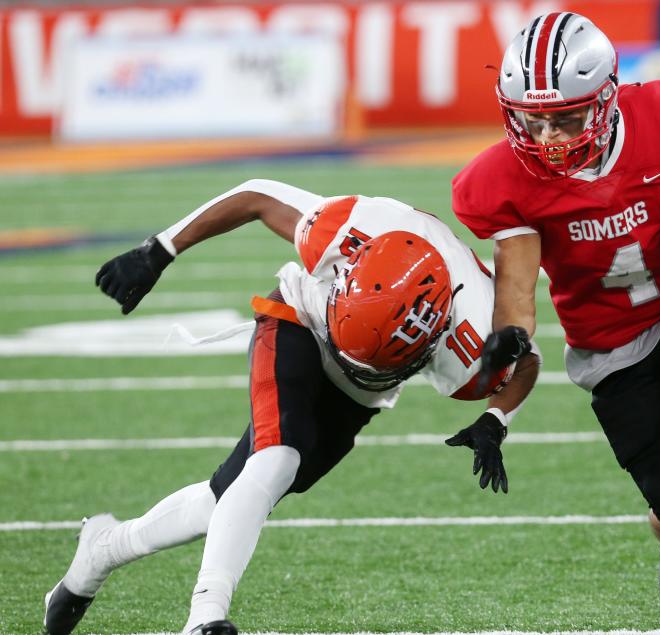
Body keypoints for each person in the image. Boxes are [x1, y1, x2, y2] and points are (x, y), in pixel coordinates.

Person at [43, 180, 540, 635]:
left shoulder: (474, 336)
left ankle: (105, 548)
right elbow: (255, 196)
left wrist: (496, 418)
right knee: (277, 459)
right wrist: (162, 248)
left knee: (231, 498)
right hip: (302, 319)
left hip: (360, 392)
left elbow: (528, 364)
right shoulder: (349, 228)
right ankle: (204, 617)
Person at [452, 12, 660, 635]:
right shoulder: (503, 179)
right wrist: (510, 337)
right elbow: (519, 288)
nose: (549, 136)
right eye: (534, 119)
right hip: (607, 341)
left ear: (607, 97)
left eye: (566, 117)